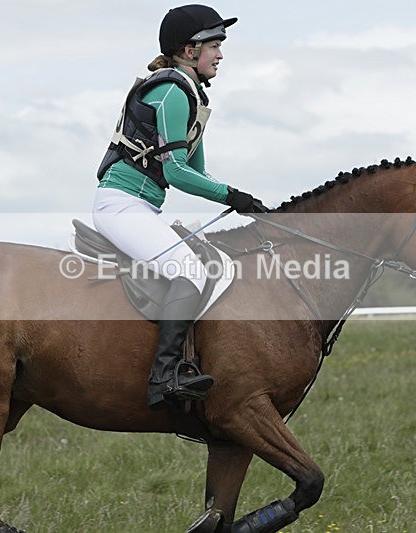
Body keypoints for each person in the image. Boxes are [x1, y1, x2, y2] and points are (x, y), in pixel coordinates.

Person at [93, 4, 267, 410]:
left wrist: (240, 199)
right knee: (189, 269)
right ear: (190, 51)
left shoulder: (191, 97)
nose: (221, 55)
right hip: (121, 205)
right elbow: (175, 173)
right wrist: (231, 195)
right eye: (215, 46)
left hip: (141, 207)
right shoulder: (171, 92)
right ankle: (164, 378)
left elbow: (196, 173)